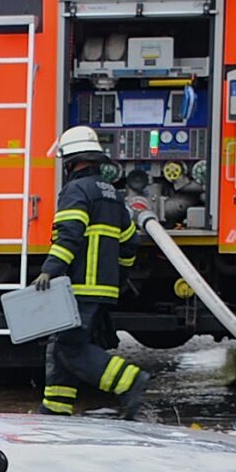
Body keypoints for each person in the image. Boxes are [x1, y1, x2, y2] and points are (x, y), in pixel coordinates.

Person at [28, 126, 150, 417]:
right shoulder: (113, 195)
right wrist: (120, 277)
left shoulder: (75, 190)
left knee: (71, 347)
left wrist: (50, 270)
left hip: (80, 285)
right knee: (63, 345)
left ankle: (130, 381)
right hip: (103, 287)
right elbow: (129, 242)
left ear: (70, 162)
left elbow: (68, 235)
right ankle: (56, 407)